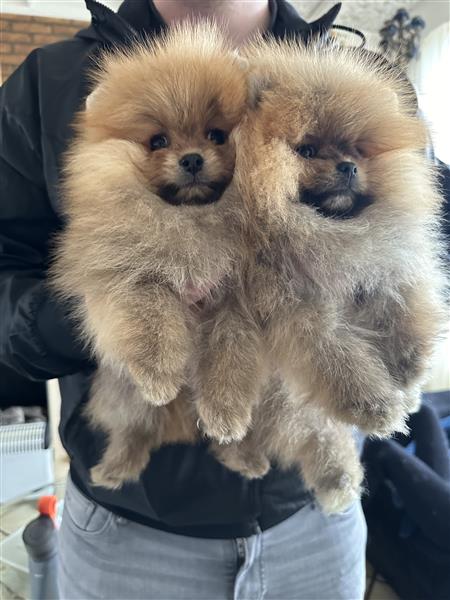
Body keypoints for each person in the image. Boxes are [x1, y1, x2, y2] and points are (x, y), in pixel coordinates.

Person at [0, 1, 367, 598]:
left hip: (315, 524)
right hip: (130, 537)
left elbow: (425, 231)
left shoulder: (346, 70)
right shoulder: (50, 83)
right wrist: (105, 312)